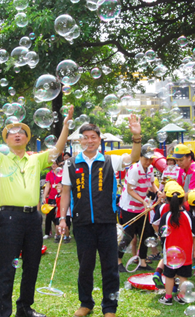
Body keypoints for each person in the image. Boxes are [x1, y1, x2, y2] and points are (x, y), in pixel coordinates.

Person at [0, 89, 73, 317]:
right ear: (7, 139)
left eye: (21, 132)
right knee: (6, 267)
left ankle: (24, 308)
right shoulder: (0, 157)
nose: (17, 135)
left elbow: (57, 150)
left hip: (33, 218)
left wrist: (66, 126)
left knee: (32, 264)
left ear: (27, 138)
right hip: (10, 217)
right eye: (12, 133)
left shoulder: (35, 159)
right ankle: (1, 312)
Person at [58, 116, 142, 317]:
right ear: (80, 141)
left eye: (93, 137)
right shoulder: (70, 164)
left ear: (99, 139)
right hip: (82, 224)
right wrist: (62, 218)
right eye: (85, 137)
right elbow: (65, 193)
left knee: (110, 267)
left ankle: (110, 307)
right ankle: (85, 303)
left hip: (107, 223)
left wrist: (136, 136)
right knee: (85, 267)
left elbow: (135, 157)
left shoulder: (110, 160)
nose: (89, 141)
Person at [118, 147, 161, 272]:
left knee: (145, 234)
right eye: (146, 159)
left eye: (150, 159)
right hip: (129, 206)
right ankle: (118, 260)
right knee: (129, 235)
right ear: (140, 157)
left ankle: (143, 262)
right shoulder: (135, 169)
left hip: (142, 207)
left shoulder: (151, 169)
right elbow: (130, 190)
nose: (148, 162)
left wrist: (158, 192)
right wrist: (143, 201)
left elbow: (152, 183)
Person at [157, 181, 195, 306]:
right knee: (183, 276)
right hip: (185, 251)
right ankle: (181, 297)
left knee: (169, 276)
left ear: (168, 200)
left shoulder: (166, 216)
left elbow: (162, 234)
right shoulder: (189, 215)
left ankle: (168, 297)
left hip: (169, 252)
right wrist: (194, 251)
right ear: (183, 200)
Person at [42, 161, 62, 240]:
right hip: (51, 197)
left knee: (59, 214)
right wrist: (44, 196)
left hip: (59, 196)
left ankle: (60, 232)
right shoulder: (49, 174)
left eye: (55, 164)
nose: (53, 165)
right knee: (49, 215)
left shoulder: (61, 173)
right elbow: (47, 186)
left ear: (58, 164)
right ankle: (47, 233)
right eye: (52, 164)